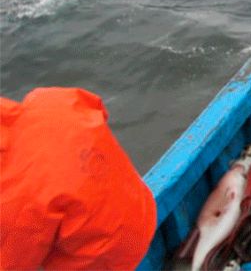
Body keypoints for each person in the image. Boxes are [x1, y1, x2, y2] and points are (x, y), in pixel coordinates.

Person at [0, 88, 156, 270]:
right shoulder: (49, 100)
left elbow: (13, 264)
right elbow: (97, 107)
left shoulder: (18, 200)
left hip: (110, 255)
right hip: (143, 207)